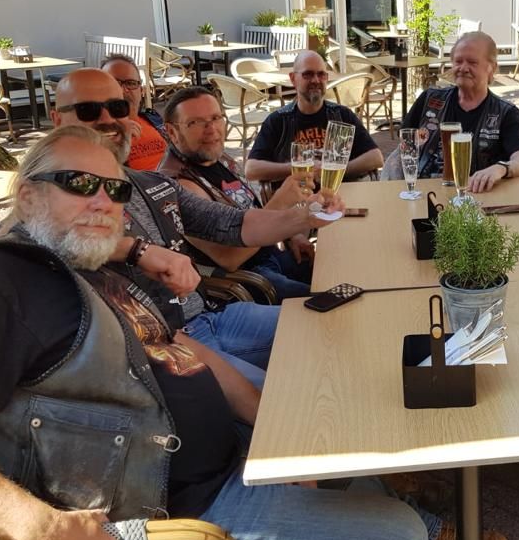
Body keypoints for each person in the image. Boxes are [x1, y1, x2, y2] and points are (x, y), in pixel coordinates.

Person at [0, 127, 428, 540]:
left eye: (116, 190)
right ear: (27, 195)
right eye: (79, 184)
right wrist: (38, 527)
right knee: (400, 539)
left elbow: (183, 347)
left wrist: (276, 428)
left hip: (226, 468)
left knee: (354, 469)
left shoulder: (87, 267)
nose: (104, 202)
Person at [50, 68, 336, 382]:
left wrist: (304, 216)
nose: (107, 119)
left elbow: (234, 224)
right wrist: (136, 249)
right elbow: (41, 241)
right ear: (57, 119)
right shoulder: (48, 191)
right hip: (161, 346)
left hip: (209, 317)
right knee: (283, 394)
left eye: (117, 108)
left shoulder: (153, 184)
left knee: (331, 326)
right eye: (88, 110)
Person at [160, 86, 313, 299]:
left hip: (271, 253)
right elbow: (229, 258)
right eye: (195, 122)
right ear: (172, 131)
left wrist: (291, 234)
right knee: (324, 300)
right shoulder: (178, 186)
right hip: (246, 280)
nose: (211, 129)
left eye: (216, 118)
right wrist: (280, 203)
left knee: (339, 269)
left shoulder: (218, 157)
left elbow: (251, 208)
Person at [402, 31, 519, 193]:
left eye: (472, 62)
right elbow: (404, 144)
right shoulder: (430, 99)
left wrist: (500, 168)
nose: (463, 68)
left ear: (492, 68)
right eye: (458, 61)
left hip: (476, 196)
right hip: (426, 193)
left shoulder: (504, 112)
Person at [244, 50, 383, 186]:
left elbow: (376, 158)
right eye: (308, 74)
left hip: (338, 196)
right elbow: (251, 170)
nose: (316, 80)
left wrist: (334, 171)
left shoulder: (342, 115)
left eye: (321, 74)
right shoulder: (279, 121)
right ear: (293, 79)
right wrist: (300, 168)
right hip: (295, 198)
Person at [100, 54, 169, 171]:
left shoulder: (153, 119)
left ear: (141, 91)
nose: (123, 90)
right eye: (114, 83)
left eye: (131, 83)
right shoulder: (97, 134)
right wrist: (121, 139)